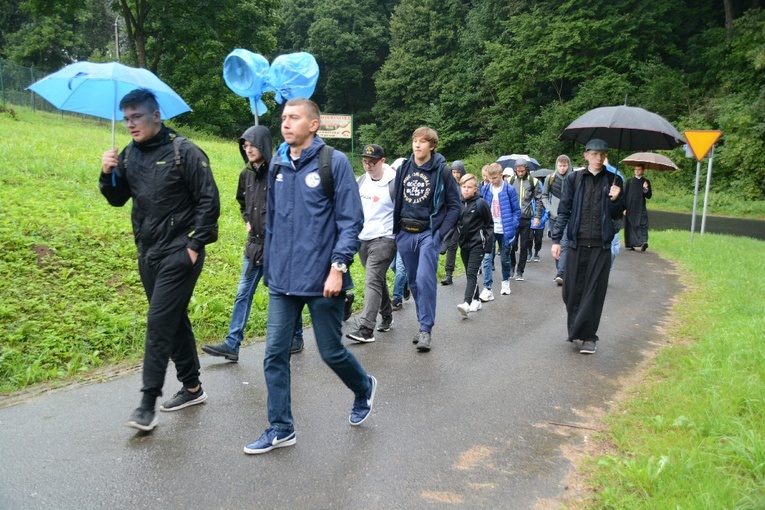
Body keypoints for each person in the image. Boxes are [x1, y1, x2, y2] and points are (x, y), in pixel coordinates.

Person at [245, 98, 376, 455]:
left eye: (293, 118)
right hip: (283, 280)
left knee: (331, 352)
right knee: (274, 354)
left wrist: (338, 268)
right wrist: (268, 264)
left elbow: (351, 222)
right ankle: (281, 428)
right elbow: (272, 219)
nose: (285, 123)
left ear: (314, 124)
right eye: (283, 117)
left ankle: (363, 386)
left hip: (323, 280)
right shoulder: (276, 164)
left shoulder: (333, 163)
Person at [99, 88, 220, 432]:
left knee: (158, 323)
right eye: (126, 119)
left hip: (180, 253)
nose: (130, 124)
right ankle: (193, 387)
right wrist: (107, 174)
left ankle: (146, 404)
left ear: (156, 115)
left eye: (136, 117)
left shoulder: (185, 151)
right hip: (148, 253)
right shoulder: (128, 155)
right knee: (172, 317)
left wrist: (194, 246)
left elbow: (209, 202)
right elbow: (118, 199)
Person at [201, 126, 305, 363]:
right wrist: (247, 220)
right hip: (254, 245)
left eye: (253, 145)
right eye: (245, 146)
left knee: (284, 292)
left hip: (277, 247)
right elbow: (241, 201)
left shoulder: (279, 171)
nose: (248, 150)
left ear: (264, 145)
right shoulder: (245, 174)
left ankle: (296, 336)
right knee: (242, 294)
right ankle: (232, 343)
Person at [550, 139, 624, 355]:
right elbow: (564, 210)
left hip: (600, 246)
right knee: (570, 292)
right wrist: (556, 240)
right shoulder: (574, 179)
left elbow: (617, 215)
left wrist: (616, 200)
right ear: (586, 156)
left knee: (594, 292)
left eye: (602, 154)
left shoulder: (614, 179)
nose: (598, 158)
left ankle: (588, 337)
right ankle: (576, 329)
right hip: (576, 243)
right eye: (594, 154)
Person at [393, 126, 461, 352]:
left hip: (427, 234)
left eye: (422, 141)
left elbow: (454, 205)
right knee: (413, 281)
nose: (417, 144)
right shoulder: (404, 167)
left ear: (431, 145)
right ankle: (422, 323)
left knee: (424, 279)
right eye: (414, 140)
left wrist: (441, 233)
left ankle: (425, 329)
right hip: (405, 232)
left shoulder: (442, 171)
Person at [346, 144, 397, 343]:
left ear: (382, 161)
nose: (368, 165)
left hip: (386, 238)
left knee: (371, 279)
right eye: (365, 161)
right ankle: (387, 313)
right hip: (363, 238)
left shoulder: (393, 182)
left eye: (372, 162)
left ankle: (366, 328)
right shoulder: (361, 181)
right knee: (377, 279)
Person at [479, 163, 521, 301]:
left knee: (505, 258)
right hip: (490, 229)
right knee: (487, 258)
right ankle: (487, 288)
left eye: (495, 178)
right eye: (489, 178)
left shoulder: (509, 189)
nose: (492, 180)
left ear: (501, 175)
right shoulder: (485, 189)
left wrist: (513, 225)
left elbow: (516, 210)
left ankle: (505, 282)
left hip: (505, 229)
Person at [456, 174, 493, 317]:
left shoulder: (480, 203)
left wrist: (488, 246)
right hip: (463, 244)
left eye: (469, 187)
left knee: (472, 272)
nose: (466, 190)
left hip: (478, 244)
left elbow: (489, 225)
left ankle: (466, 303)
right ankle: (476, 299)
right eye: (463, 187)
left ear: (475, 189)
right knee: (469, 273)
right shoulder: (458, 203)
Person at [508, 159, 543, 281]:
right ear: (515, 170)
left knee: (524, 246)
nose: (520, 173)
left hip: (526, 219)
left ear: (526, 170)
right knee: (511, 245)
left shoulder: (534, 182)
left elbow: (539, 200)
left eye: (522, 171)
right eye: (518, 171)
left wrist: (538, 216)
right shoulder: (510, 181)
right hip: (513, 218)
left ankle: (520, 271)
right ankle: (511, 267)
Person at [542, 155, 573, 285]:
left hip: (569, 217)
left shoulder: (573, 178)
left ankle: (560, 273)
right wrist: (549, 210)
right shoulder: (550, 178)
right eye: (560, 166)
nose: (562, 169)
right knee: (557, 244)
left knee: (565, 243)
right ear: (556, 165)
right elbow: (544, 196)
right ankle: (560, 271)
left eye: (564, 166)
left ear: (568, 165)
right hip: (554, 217)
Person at [440, 160, 466, 285]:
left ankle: (475, 267)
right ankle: (449, 274)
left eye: (458, 172)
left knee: (467, 246)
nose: (456, 175)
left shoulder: (466, 184)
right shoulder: (448, 184)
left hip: (467, 220)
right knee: (451, 246)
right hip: (454, 221)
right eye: (453, 172)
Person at [623, 164, 652, 251]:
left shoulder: (646, 182)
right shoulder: (629, 181)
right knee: (630, 225)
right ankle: (630, 243)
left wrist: (645, 189)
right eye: (635, 169)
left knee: (643, 224)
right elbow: (624, 195)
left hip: (640, 207)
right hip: (630, 207)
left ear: (643, 171)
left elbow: (649, 196)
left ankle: (643, 242)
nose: (637, 171)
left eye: (639, 169)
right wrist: (624, 208)